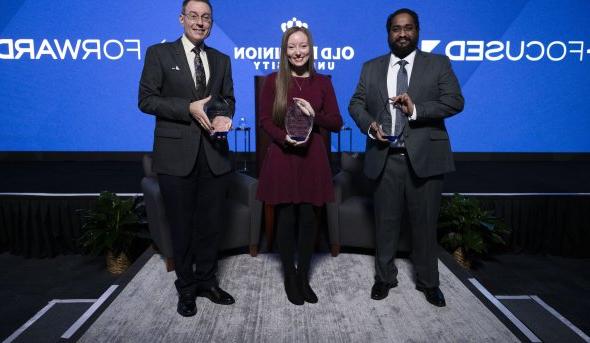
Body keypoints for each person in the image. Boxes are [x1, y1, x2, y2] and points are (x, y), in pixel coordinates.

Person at [349, 8, 464, 307]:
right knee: (385, 224)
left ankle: (429, 283)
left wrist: (416, 110)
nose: (402, 34)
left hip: (425, 159)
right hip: (385, 157)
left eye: (408, 28)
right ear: (388, 33)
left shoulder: (438, 63)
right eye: (396, 29)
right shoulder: (371, 67)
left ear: (417, 31)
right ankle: (384, 278)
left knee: (425, 225)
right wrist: (369, 124)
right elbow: (356, 103)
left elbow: (455, 101)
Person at [138, 0, 235, 317]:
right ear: (182, 19)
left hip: (214, 154)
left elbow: (227, 100)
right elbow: (146, 100)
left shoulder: (221, 59)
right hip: (175, 155)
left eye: (206, 17)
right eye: (193, 16)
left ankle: (208, 282)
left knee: (210, 225)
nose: (199, 22)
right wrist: (187, 108)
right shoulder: (159, 54)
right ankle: (187, 288)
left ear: (211, 23)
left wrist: (225, 117)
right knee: (181, 227)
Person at [257, 26, 343, 305]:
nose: (298, 52)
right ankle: (290, 278)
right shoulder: (273, 81)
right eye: (292, 47)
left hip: (313, 159)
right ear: (285, 50)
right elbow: (265, 121)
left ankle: (303, 275)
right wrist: (285, 139)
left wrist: (313, 114)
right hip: (283, 156)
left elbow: (336, 122)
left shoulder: (322, 83)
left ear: (310, 48)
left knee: (308, 219)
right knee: (286, 218)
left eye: (303, 46)